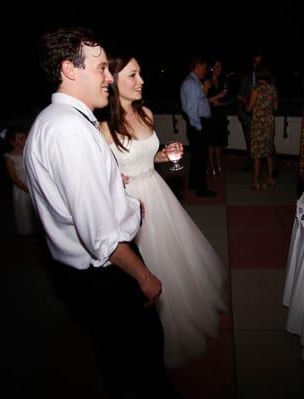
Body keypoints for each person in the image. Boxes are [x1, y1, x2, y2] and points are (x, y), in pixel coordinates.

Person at [23, 27, 178, 398]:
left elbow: (73, 197)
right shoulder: (71, 132)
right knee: (144, 362)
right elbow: (102, 237)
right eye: (102, 68)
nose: (109, 77)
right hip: (105, 275)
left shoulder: (52, 121)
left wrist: (115, 189)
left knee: (115, 355)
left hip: (80, 275)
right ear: (69, 70)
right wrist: (144, 276)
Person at [98, 53, 228, 369]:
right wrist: (112, 178)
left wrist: (166, 154)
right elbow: (94, 178)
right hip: (129, 204)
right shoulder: (100, 127)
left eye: (140, 73)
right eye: (133, 75)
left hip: (157, 192)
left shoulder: (147, 114)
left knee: (175, 260)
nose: (141, 81)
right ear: (113, 82)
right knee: (143, 269)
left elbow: (149, 158)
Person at [180, 56, 216, 197]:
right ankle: (201, 189)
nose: (206, 71)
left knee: (196, 156)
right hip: (198, 125)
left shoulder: (193, 82)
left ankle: (193, 183)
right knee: (201, 158)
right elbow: (191, 109)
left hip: (197, 124)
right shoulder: (192, 84)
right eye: (204, 67)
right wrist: (199, 127)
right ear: (197, 67)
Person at [245, 60, 278, 190]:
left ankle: (255, 183)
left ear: (258, 74)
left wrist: (244, 101)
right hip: (269, 124)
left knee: (257, 155)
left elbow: (248, 109)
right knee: (269, 152)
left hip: (258, 124)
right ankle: (270, 179)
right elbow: (275, 107)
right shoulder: (273, 89)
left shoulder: (256, 89)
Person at [1, 125, 37, 236]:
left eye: (25, 137)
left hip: (34, 185)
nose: (24, 140)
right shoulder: (10, 157)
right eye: (20, 139)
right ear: (12, 142)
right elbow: (14, 178)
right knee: (25, 212)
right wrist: (27, 189)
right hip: (22, 189)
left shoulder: (30, 151)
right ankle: (28, 234)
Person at [204, 59, 229, 176]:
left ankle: (219, 164)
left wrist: (221, 103)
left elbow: (226, 101)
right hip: (211, 116)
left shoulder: (222, 81)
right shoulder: (207, 82)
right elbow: (203, 101)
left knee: (219, 142)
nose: (220, 69)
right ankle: (211, 165)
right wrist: (218, 96)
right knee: (211, 143)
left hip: (220, 115)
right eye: (218, 66)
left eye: (221, 66)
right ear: (212, 68)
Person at [237, 54, 263, 170]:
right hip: (247, 116)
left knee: (263, 142)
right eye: (256, 62)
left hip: (261, 117)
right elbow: (239, 96)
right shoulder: (245, 78)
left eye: (260, 62)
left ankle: (265, 165)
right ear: (253, 64)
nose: (258, 64)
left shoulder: (266, 78)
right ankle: (250, 163)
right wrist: (242, 115)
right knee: (249, 142)